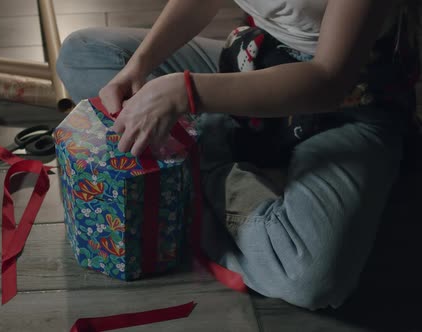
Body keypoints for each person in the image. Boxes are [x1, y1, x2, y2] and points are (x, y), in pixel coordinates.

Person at [56, 0, 420, 310]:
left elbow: (329, 80)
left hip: (350, 102)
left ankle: (192, 167)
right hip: (254, 57)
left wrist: (185, 93)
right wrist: (139, 66)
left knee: (306, 273)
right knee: (84, 54)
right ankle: (211, 157)